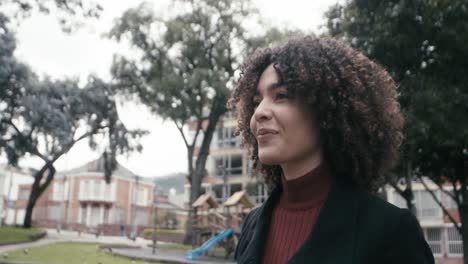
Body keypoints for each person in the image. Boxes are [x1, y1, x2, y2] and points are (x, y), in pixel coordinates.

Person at [228, 37, 435, 264]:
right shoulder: (252, 225)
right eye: (257, 101)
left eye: (281, 96)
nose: (259, 112)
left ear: (326, 109)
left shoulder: (391, 231)